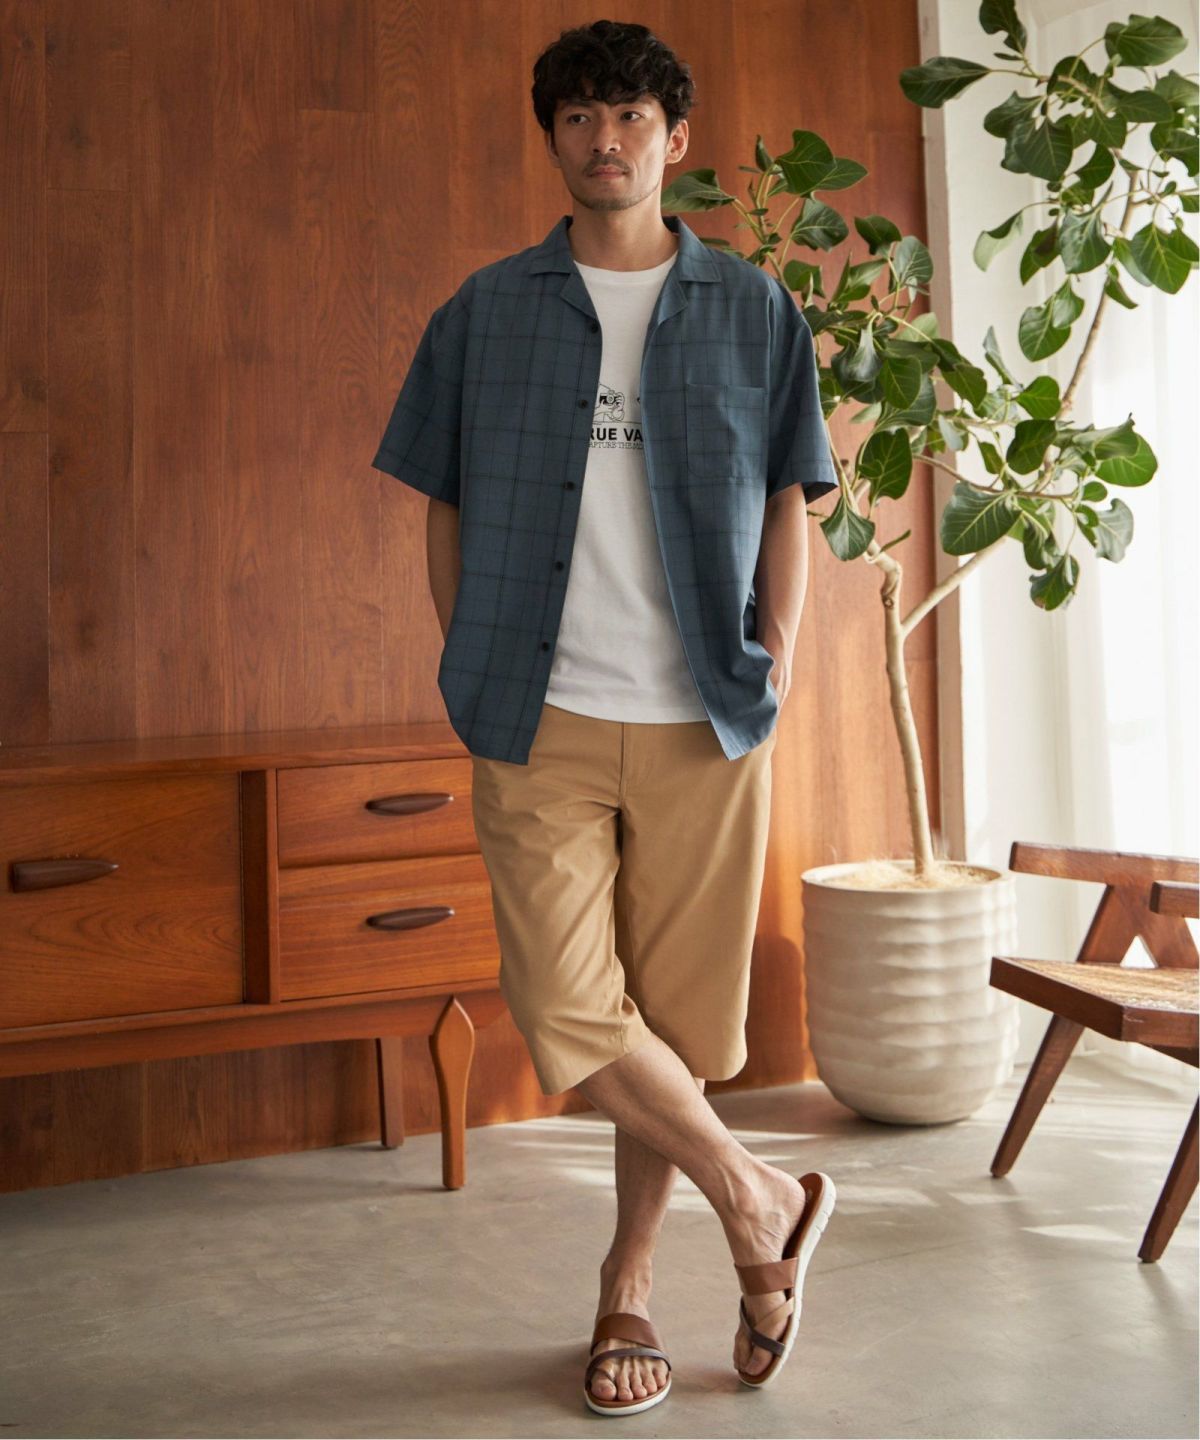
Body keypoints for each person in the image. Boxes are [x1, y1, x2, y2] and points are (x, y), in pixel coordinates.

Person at [372, 17, 838, 1417]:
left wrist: (778, 655)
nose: (605, 138)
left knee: (673, 1026)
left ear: (674, 139)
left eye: (631, 115)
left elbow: (790, 497)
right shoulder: (485, 311)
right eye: (578, 116)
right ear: (554, 139)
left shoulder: (753, 308)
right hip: (544, 712)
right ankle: (761, 1199)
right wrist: (469, 656)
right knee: (569, 1004)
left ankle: (629, 1289)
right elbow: (444, 504)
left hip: (706, 716)